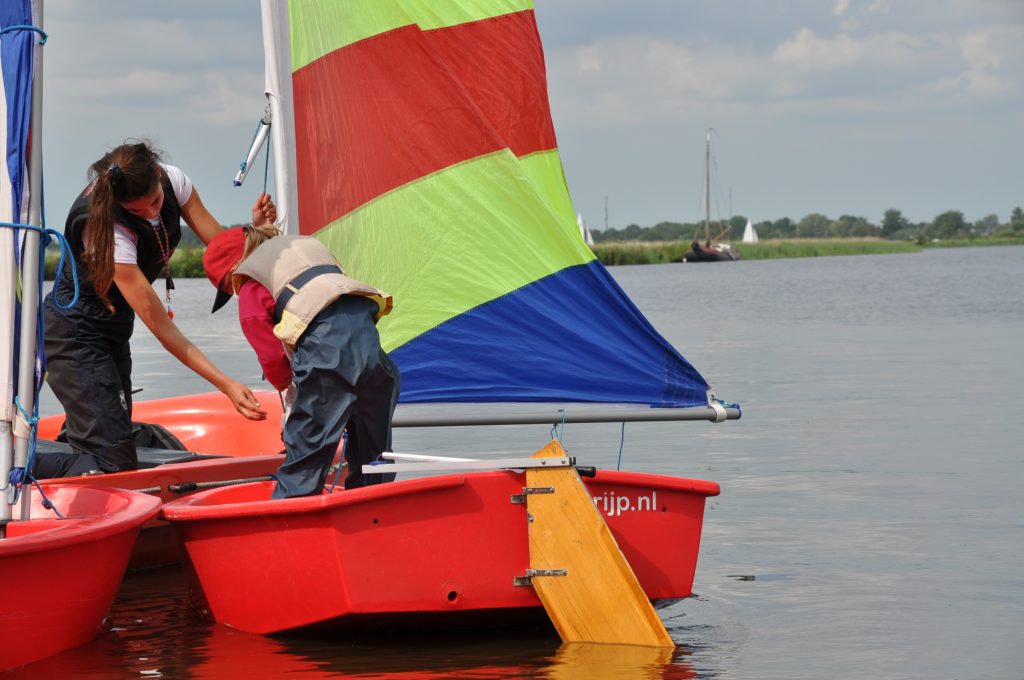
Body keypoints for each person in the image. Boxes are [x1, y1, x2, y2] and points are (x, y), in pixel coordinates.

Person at [39, 140, 271, 478]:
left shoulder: (173, 181)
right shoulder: (104, 229)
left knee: (115, 449)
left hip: (114, 330)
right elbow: (164, 330)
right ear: (118, 203)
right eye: (136, 212)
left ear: (159, 175)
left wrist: (256, 233)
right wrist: (226, 384)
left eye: (155, 203)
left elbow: (223, 251)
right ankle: (19, 468)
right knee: (113, 466)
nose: (150, 214)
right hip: (73, 333)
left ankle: (82, 442)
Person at [202, 224, 400, 498]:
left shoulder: (251, 286)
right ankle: (375, 516)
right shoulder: (304, 249)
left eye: (226, 286)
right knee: (373, 460)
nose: (234, 292)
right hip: (374, 355)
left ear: (234, 271)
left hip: (326, 359)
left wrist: (289, 389)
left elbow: (272, 359)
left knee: (304, 464)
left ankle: (286, 526)